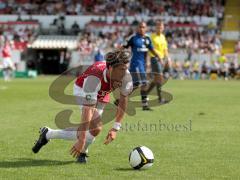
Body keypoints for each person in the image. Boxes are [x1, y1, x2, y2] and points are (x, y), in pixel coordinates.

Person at [32, 49, 133, 163]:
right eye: (121, 70)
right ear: (110, 68)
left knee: (95, 130)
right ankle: (82, 151)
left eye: (125, 68)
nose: (124, 72)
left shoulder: (126, 77)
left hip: (103, 94)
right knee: (96, 126)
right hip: (82, 90)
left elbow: (124, 101)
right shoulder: (93, 78)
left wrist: (116, 128)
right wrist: (82, 139)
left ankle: (48, 134)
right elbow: (88, 110)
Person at [122, 21, 162, 110]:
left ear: (146, 28)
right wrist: (119, 57)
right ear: (137, 28)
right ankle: (144, 105)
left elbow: (152, 49)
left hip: (142, 65)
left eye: (143, 27)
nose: (141, 28)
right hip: (135, 64)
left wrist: (158, 56)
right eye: (140, 27)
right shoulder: (133, 38)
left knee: (139, 84)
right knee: (142, 83)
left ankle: (121, 99)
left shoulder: (147, 39)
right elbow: (122, 47)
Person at [147, 20, 171, 103]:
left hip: (162, 59)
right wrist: (158, 57)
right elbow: (151, 49)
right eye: (158, 27)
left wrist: (168, 58)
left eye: (161, 27)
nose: (159, 28)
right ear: (155, 28)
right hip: (154, 58)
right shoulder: (152, 37)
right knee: (160, 77)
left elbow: (165, 49)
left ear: (163, 28)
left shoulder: (163, 37)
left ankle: (145, 93)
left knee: (157, 79)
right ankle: (160, 99)